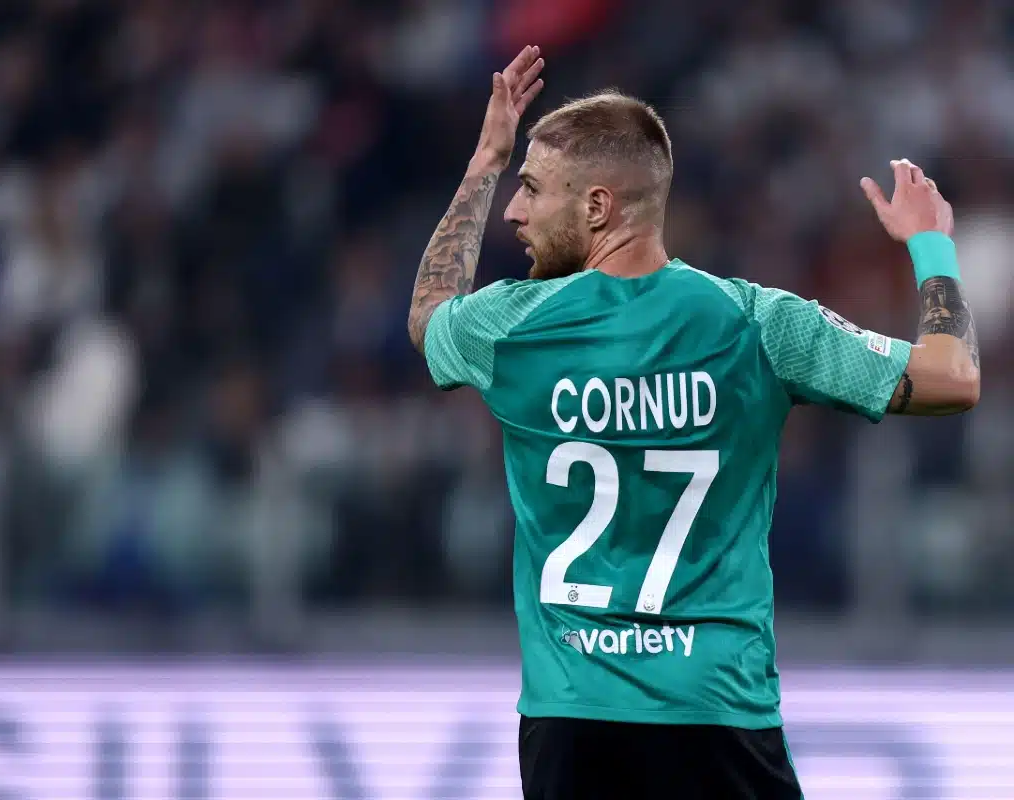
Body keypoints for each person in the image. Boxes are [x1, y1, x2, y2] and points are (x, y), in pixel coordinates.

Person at [407, 45, 980, 800]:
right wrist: (931, 244)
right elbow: (952, 377)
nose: (515, 210)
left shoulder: (511, 327)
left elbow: (428, 315)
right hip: (717, 715)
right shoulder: (759, 324)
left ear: (597, 208)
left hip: (572, 721)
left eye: (532, 190)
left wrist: (485, 161)